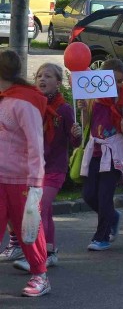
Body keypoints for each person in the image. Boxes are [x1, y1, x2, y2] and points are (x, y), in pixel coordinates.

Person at [9, 64, 79, 273]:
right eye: (39, 75)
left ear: (58, 83)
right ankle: (50, 251)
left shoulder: (64, 110)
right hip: (33, 168)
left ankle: (38, 257)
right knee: (44, 210)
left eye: (48, 76)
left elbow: (75, 143)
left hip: (55, 169)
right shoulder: (31, 105)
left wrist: (76, 134)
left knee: (38, 208)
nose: (42, 79)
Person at [0, 50, 50, 297]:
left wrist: (35, 183)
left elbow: (35, 143)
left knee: (28, 229)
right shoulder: (3, 98)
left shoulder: (24, 102)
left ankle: (40, 275)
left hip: (22, 180)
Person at [80, 59, 123, 251]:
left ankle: (101, 237)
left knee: (104, 196)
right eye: (112, 79)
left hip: (113, 150)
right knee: (88, 195)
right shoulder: (93, 93)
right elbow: (87, 122)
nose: (116, 84)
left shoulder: (121, 94)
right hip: (95, 148)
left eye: (120, 81)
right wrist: (82, 108)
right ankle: (112, 216)